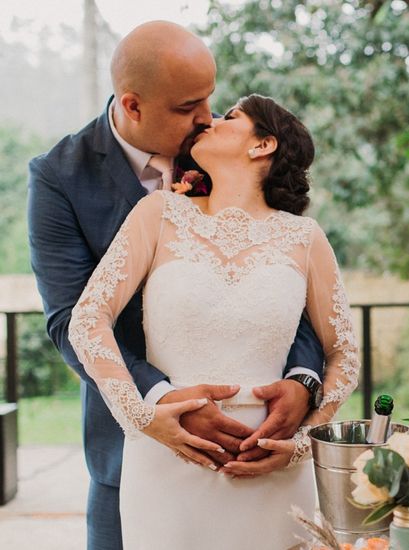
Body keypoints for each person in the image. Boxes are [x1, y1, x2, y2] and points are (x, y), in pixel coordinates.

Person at [27, 22, 330, 549]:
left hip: (264, 452)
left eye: (212, 100)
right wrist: (156, 402)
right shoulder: (60, 176)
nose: (207, 117)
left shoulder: (224, 151)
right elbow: (69, 317)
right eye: (190, 105)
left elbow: (289, 282)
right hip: (134, 452)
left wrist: (304, 381)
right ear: (134, 105)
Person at [67, 92, 359, 548]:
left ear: (262, 145)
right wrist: (141, 416)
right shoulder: (159, 214)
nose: (212, 121)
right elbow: (88, 318)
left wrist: (302, 441)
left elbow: (343, 351)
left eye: (233, 117)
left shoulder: (305, 238)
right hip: (168, 458)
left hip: (271, 471)